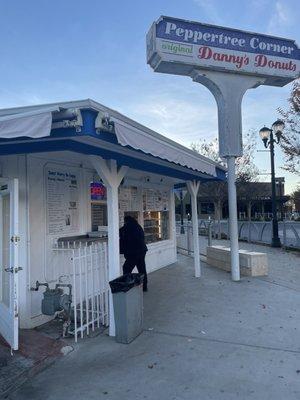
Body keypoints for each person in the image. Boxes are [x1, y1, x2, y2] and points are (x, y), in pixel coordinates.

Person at [119, 215, 148, 291]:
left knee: (126, 268)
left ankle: (127, 286)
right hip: (142, 250)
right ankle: (144, 287)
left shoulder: (127, 227)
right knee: (142, 269)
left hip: (134, 252)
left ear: (126, 221)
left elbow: (119, 232)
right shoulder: (138, 226)